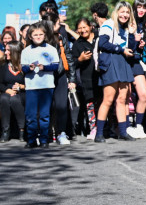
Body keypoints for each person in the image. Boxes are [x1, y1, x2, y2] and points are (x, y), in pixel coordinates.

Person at [94, 1, 138, 143]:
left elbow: (130, 48)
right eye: (122, 11)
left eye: (127, 12)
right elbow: (103, 43)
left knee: (122, 99)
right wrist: (120, 49)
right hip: (112, 61)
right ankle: (99, 133)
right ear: (116, 12)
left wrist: (131, 34)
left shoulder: (126, 28)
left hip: (123, 62)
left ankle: (123, 132)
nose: (125, 15)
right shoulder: (109, 24)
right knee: (108, 98)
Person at [21, 22, 60, 149]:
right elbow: (23, 69)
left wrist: (45, 67)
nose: (38, 37)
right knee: (31, 115)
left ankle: (44, 139)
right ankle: (31, 139)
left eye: (41, 34)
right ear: (30, 36)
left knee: (44, 115)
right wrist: (30, 68)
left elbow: (55, 66)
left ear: (45, 35)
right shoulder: (26, 51)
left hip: (46, 86)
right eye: (35, 35)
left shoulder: (51, 49)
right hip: (31, 87)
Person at [41, 12, 77, 145]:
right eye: (57, 23)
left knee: (62, 106)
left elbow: (69, 59)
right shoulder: (40, 40)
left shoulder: (61, 38)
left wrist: (72, 79)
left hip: (60, 76)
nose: (60, 25)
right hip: (44, 77)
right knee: (47, 106)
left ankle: (62, 133)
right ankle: (46, 133)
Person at [72, 18, 100, 140]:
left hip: (101, 76)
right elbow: (72, 63)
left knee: (103, 103)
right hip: (86, 79)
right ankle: (93, 129)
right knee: (90, 105)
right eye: (80, 28)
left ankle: (105, 128)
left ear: (91, 26)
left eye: (85, 27)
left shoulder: (99, 37)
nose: (83, 30)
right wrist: (80, 59)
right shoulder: (77, 44)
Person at [128, 0, 146, 139]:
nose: (141, 10)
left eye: (144, 7)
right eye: (138, 7)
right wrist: (132, 39)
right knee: (125, 96)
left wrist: (141, 46)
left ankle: (139, 125)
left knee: (144, 94)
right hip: (123, 61)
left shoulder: (144, 25)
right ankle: (126, 125)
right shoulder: (127, 23)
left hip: (136, 62)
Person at [0, 41, 25, 142]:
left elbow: (31, 83)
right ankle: (5, 130)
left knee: (15, 100)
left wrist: (21, 87)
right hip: (7, 92)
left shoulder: (25, 66)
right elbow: (0, 83)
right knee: (4, 98)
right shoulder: (4, 66)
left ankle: (22, 130)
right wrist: (7, 90)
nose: (5, 52)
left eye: (8, 50)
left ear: (15, 52)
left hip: (22, 92)